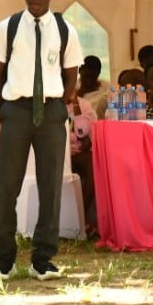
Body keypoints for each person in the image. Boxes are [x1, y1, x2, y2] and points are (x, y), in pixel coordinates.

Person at [0, 0, 83, 282]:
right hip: (16, 110)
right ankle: (4, 259)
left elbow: (72, 74)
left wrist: (60, 105)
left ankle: (43, 259)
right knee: (6, 185)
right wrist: (6, 108)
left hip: (51, 111)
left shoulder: (66, 30)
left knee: (50, 185)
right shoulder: (7, 27)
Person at [66, 95, 100, 237]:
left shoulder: (83, 105)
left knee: (93, 163)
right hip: (56, 152)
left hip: (78, 153)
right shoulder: (47, 103)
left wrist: (75, 105)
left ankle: (81, 216)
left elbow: (83, 133)